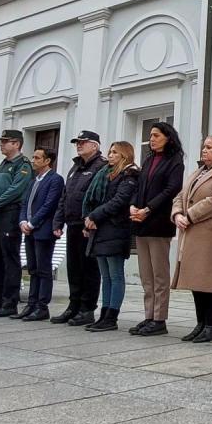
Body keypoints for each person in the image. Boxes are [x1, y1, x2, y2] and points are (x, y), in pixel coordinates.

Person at [173, 135, 212, 343]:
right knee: (196, 279)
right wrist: (177, 214)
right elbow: (180, 196)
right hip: (191, 231)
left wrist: (189, 215)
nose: (204, 151)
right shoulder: (199, 172)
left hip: (211, 233)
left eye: (209, 147)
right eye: (204, 147)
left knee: (211, 280)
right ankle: (200, 323)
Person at [129, 122, 184, 336]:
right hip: (141, 223)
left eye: (156, 135)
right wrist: (133, 206)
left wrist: (148, 209)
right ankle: (149, 316)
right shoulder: (149, 159)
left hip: (159, 222)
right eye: (150, 136)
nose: (151, 139)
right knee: (146, 274)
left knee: (159, 275)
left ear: (168, 137)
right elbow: (139, 186)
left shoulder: (175, 161)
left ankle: (160, 319)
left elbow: (172, 189)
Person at [82, 141, 139, 332]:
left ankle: (112, 316)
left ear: (124, 155)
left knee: (115, 275)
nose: (110, 155)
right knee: (105, 275)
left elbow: (119, 201)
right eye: (110, 152)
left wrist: (94, 215)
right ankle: (104, 314)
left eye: (115, 152)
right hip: (101, 229)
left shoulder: (129, 175)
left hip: (116, 229)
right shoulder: (106, 174)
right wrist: (90, 218)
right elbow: (98, 199)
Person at [54, 132, 108, 326]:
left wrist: (91, 219)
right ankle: (73, 306)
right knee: (74, 268)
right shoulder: (75, 167)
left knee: (89, 269)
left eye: (83, 142)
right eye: (77, 142)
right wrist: (58, 222)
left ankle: (87, 309)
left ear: (95, 146)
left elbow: (100, 195)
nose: (79, 145)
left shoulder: (101, 166)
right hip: (72, 225)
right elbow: (65, 196)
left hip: (89, 226)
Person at [0, 130, 34, 318]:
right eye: (1, 141)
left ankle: (9, 302)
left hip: (9, 213)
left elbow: (16, 190)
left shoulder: (23, 165)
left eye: (6, 142)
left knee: (9, 259)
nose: (2, 145)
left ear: (17, 144)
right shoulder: (3, 163)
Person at [18, 145, 64, 321]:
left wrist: (32, 223)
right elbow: (24, 203)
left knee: (43, 269)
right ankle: (31, 303)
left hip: (43, 230)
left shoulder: (55, 180)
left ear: (47, 161)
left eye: (37, 158)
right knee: (33, 268)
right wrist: (22, 221)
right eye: (33, 157)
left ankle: (42, 306)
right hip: (29, 230)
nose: (33, 161)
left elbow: (49, 204)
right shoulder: (33, 180)